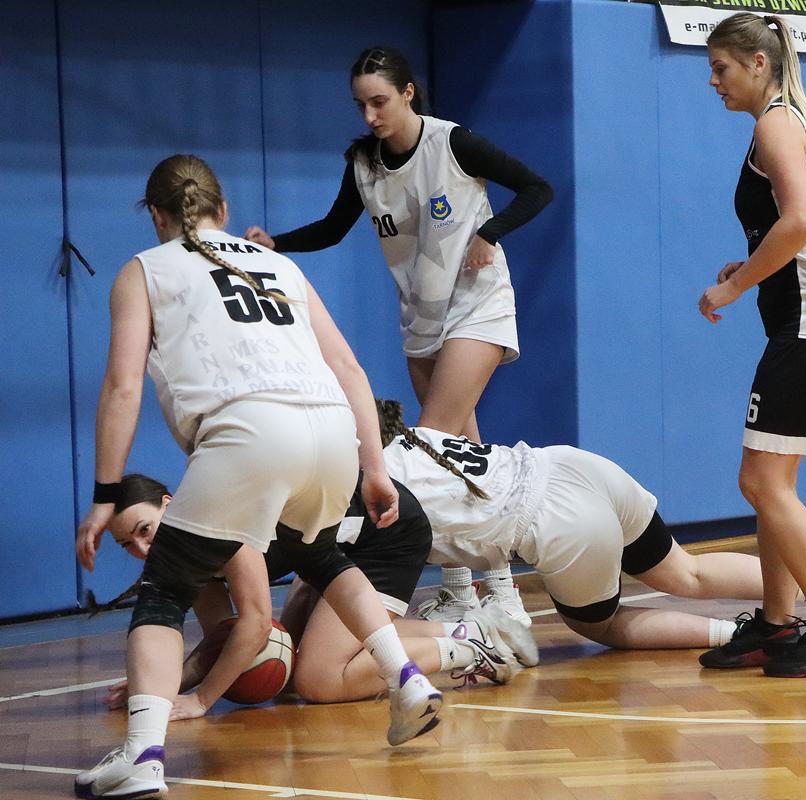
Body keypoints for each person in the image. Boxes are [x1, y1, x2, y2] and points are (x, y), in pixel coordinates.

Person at [71, 155, 441, 800]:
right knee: (319, 555)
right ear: (224, 210)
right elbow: (350, 370)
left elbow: (123, 386)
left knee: (164, 591)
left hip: (250, 430)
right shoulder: (280, 264)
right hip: (331, 431)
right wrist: (374, 468)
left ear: (157, 216)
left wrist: (106, 494)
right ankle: (406, 681)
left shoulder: (145, 269)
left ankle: (142, 756)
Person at [245, 46, 553, 626]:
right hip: (421, 318)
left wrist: (490, 231)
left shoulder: (453, 143)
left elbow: (537, 188)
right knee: (460, 456)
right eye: (361, 105)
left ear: (408, 92)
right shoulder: (363, 162)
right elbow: (334, 227)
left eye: (380, 101)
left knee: (426, 447)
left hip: (477, 307)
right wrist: (276, 244)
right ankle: (474, 588)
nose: (370, 116)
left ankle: (492, 593)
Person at [378, 402, 806, 652]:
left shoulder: (373, 492)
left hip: (565, 524)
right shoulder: (412, 436)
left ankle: (736, 634)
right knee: (686, 572)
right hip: (571, 466)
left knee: (602, 625)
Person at [695, 13, 806, 678]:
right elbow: (797, 229)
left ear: (758, 63)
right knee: (773, 483)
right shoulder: (791, 119)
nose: (713, 81)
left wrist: (735, 285)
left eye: (720, 68)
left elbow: (799, 221)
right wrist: (748, 266)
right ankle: (775, 623)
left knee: (760, 481)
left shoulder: (776, 124)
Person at [99, 473, 533, 711]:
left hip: (382, 533)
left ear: (170, 504)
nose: (142, 548)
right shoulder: (182, 556)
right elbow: (226, 640)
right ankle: (471, 628)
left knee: (319, 678)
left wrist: (199, 699)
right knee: (289, 667)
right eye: (127, 544)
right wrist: (162, 684)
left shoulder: (218, 525)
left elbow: (255, 627)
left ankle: (471, 649)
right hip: (329, 546)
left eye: (144, 530)